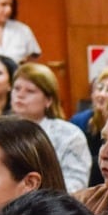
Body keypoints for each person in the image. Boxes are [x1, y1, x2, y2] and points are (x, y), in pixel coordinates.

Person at [10, 63, 91, 192]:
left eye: (30, 91)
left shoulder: (70, 135)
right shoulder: (0, 131)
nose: (20, 95)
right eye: (16, 88)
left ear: (48, 100)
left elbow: (76, 186)